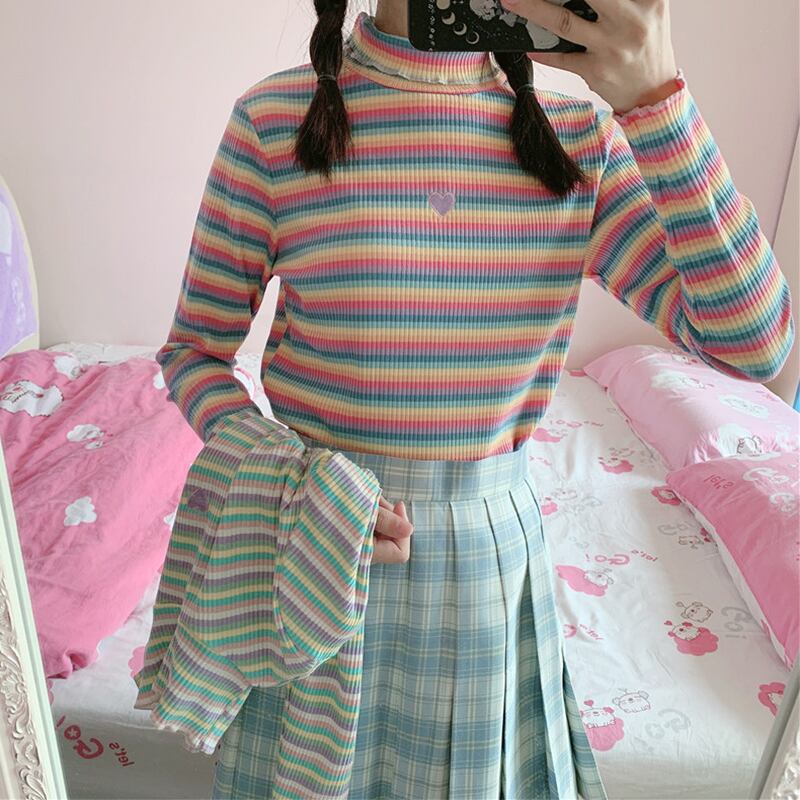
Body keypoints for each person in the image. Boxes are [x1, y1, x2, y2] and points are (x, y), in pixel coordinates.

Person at [154, 0, 795, 796]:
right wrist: (295, 480)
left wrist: (655, 101)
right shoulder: (276, 120)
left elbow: (753, 346)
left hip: (486, 574)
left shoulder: (575, 138)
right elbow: (194, 354)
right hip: (314, 550)